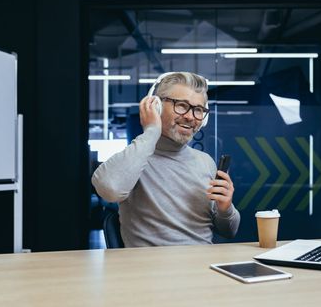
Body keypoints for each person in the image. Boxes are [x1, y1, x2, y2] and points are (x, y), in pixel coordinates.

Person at [92, 71, 240, 247]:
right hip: (153, 270)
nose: (190, 116)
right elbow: (109, 189)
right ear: (157, 107)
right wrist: (152, 131)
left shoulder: (205, 162)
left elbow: (229, 230)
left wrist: (225, 208)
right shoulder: (135, 158)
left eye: (198, 110)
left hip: (203, 266)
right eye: (182, 105)